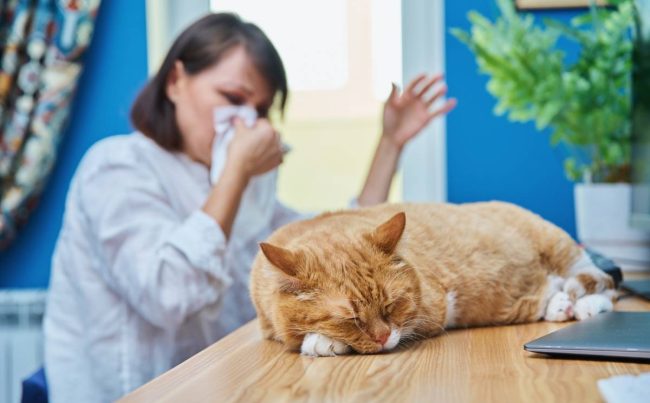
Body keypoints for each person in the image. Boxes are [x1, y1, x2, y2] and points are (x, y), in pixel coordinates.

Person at [43, 12, 456, 403]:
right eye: (233, 98)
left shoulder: (243, 187)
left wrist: (391, 144)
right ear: (174, 81)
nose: (246, 121)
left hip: (224, 386)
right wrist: (237, 170)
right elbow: (166, 295)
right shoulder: (115, 168)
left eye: (259, 110)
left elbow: (332, 252)